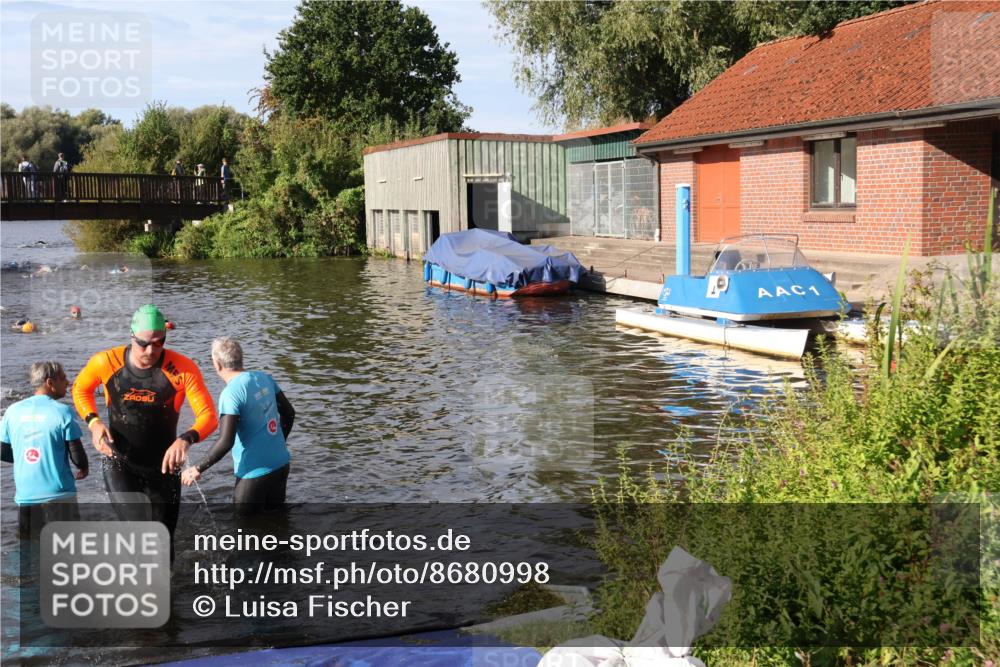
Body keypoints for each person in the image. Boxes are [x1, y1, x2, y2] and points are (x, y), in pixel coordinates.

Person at [73, 305, 218, 558]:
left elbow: (209, 417)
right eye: (144, 343)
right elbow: (80, 390)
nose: (151, 350)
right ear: (132, 336)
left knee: (163, 540)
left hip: (164, 468)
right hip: (120, 462)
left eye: (159, 343)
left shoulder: (183, 369)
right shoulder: (106, 362)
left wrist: (186, 439)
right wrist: (94, 422)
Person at [181, 337, 294, 513]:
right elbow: (289, 413)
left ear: (217, 364)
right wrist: (278, 441)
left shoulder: (231, 394)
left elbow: (226, 441)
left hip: (254, 474)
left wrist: (197, 468)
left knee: (244, 533)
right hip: (281, 464)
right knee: (277, 524)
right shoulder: (264, 378)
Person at [1, 362, 88, 537]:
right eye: (63, 378)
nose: (68, 382)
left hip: (26, 496)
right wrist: (83, 467)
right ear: (50, 382)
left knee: (30, 550)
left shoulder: (12, 411)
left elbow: (3, 452)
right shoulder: (62, 411)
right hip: (59, 494)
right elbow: (77, 455)